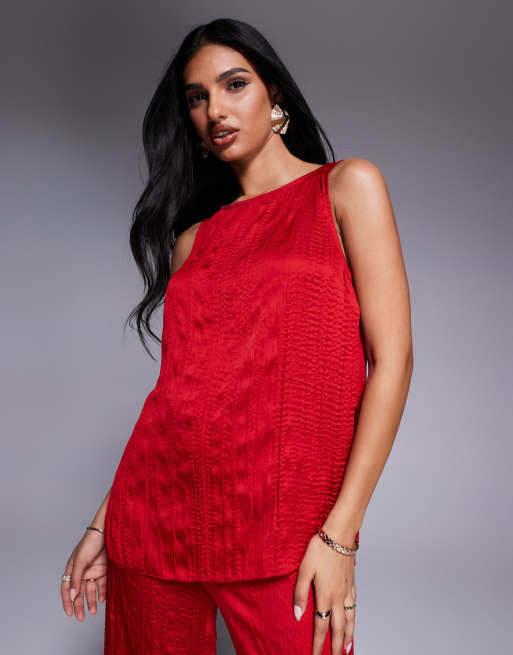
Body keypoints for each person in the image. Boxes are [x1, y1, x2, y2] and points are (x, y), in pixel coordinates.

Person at [60, 17, 413, 655]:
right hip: (157, 524)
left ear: (274, 94)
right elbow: (176, 397)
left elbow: (393, 362)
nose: (215, 110)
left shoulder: (345, 188)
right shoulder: (192, 241)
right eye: (197, 98)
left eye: (234, 85)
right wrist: (102, 526)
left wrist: (340, 537)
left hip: (285, 529)